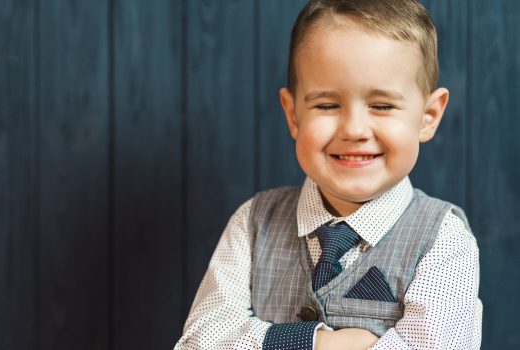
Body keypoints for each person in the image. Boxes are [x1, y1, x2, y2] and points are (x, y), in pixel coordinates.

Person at [173, 0, 482, 349]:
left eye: (381, 105)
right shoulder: (253, 223)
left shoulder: (442, 240)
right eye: (327, 105)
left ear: (428, 116)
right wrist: (315, 344)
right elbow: (199, 340)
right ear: (293, 115)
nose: (354, 129)